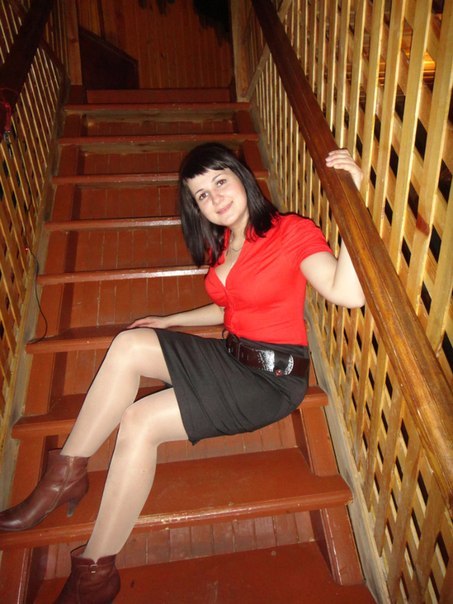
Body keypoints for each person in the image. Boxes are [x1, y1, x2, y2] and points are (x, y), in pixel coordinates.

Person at [0, 143, 365, 602]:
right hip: (232, 356)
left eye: (220, 182)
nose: (214, 198)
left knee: (140, 420)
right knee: (130, 344)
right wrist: (170, 321)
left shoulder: (291, 231)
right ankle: (65, 476)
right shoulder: (226, 244)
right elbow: (231, 307)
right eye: (201, 195)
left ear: (242, 178)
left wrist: (354, 198)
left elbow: (347, 292)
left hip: (271, 380)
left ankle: (95, 571)